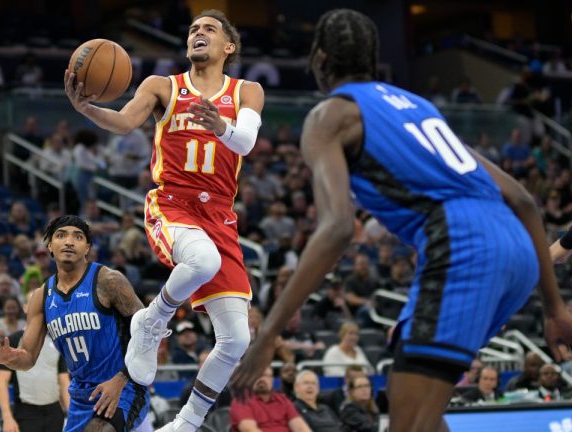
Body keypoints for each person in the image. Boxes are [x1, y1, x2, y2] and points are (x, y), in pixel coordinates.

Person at [230, 9, 572, 432]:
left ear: (318, 59)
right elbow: (521, 199)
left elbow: (337, 228)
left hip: (463, 245)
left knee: (407, 423)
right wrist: (555, 306)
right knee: (417, 403)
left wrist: (267, 337)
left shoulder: (330, 115)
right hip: (517, 250)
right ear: (373, 60)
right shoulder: (418, 106)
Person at [65, 9, 264, 431]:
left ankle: (186, 423)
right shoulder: (162, 86)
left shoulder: (247, 90)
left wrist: (219, 125)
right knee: (203, 262)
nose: (198, 33)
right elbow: (122, 122)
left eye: (209, 29)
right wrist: (87, 108)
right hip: (173, 204)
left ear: (228, 46)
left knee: (237, 338)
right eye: (193, 29)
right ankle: (152, 321)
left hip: (220, 216)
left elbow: (245, 141)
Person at [0, 216, 149, 432]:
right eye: (61, 235)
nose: (69, 241)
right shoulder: (41, 296)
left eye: (78, 236)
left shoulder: (108, 281)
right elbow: (27, 359)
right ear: (50, 246)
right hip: (82, 396)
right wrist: (10, 360)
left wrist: (121, 379)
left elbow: (147, 332)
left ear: (87, 248)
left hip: (123, 386)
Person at [0, 289, 70, 432]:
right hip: (26, 412)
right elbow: (1, 382)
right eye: (34, 303)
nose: (39, 308)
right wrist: (7, 417)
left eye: (43, 304)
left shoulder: (57, 340)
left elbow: (64, 380)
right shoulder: (13, 340)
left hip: (54, 411)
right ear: (25, 307)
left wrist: (72, 415)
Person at [228, 366, 310, 432]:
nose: (262, 379)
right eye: (257, 376)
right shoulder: (241, 400)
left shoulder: (282, 400)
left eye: (266, 376)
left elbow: (300, 428)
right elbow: (249, 429)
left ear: (272, 380)